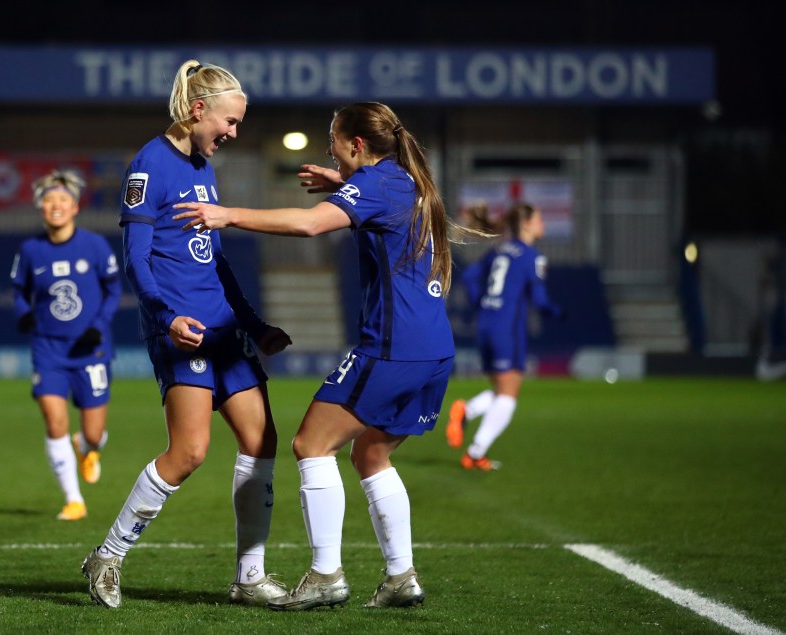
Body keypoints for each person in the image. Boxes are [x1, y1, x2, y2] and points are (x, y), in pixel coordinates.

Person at [174, 101, 486, 610]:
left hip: (391, 349)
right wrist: (345, 185)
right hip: (432, 351)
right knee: (371, 454)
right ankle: (400, 576)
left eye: (333, 139)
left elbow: (308, 225)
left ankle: (326, 575)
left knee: (310, 445)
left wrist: (226, 214)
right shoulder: (405, 180)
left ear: (356, 145)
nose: (328, 147)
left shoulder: (378, 183)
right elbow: (370, 204)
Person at [80, 60, 292, 609]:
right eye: (229, 121)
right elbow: (137, 264)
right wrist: (165, 318)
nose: (234, 133)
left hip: (225, 331)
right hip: (183, 334)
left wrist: (255, 325)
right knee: (190, 452)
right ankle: (108, 554)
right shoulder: (149, 167)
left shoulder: (202, 166)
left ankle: (250, 577)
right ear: (198, 110)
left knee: (261, 441)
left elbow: (216, 262)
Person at [10, 169, 122, 521]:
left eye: (62, 200)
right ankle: (74, 500)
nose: (55, 206)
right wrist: (24, 313)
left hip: (90, 349)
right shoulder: (30, 250)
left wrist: (98, 326)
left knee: (93, 433)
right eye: (48, 200)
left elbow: (113, 288)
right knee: (53, 420)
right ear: (40, 208)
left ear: (75, 207)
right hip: (48, 350)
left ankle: (87, 447)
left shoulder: (94, 246)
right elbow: (18, 290)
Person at [445, 201, 563, 470]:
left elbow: (472, 276)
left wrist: (481, 304)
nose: (543, 224)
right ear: (526, 224)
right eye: (539, 220)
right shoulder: (532, 256)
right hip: (507, 329)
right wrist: (560, 313)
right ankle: (474, 448)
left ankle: (469, 421)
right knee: (508, 397)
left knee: (503, 389)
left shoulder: (498, 251)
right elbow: (540, 300)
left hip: (487, 324)